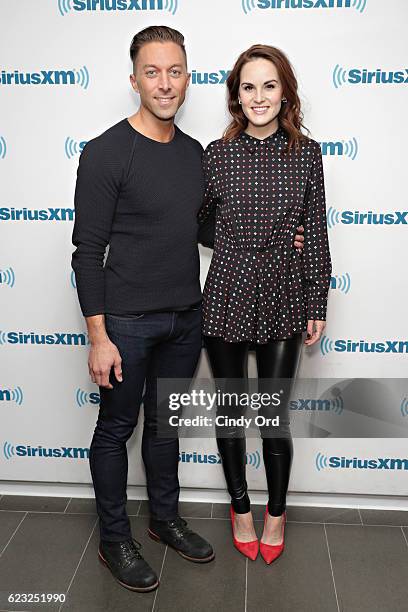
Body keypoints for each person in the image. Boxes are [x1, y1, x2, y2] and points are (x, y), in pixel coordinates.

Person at [72, 27, 306, 592]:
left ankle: (164, 520)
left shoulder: (197, 155)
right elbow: (86, 251)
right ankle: (113, 539)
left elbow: (212, 226)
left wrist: (282, 238)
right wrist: (98, 335)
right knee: (116, 429)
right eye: (152, 72)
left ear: (188, 77)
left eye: (174, 71)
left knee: (164, 429)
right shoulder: (104, 152)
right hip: (125, 322)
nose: (164, 82)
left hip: (187, 316)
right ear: (134, 80)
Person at [198, 44, 332, 564]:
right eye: (248, 87)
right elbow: (197, 221)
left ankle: (276, 513)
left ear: (285, 93)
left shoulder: (307, 155)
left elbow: (316, 231)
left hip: (284, 294)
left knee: (273, 419)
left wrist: (316, 299)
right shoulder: (216, 154)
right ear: (236, 95)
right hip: (227, 294)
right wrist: (232, 235)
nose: (259, 97)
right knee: (231, 417)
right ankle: (239, 508)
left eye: (269, 86)